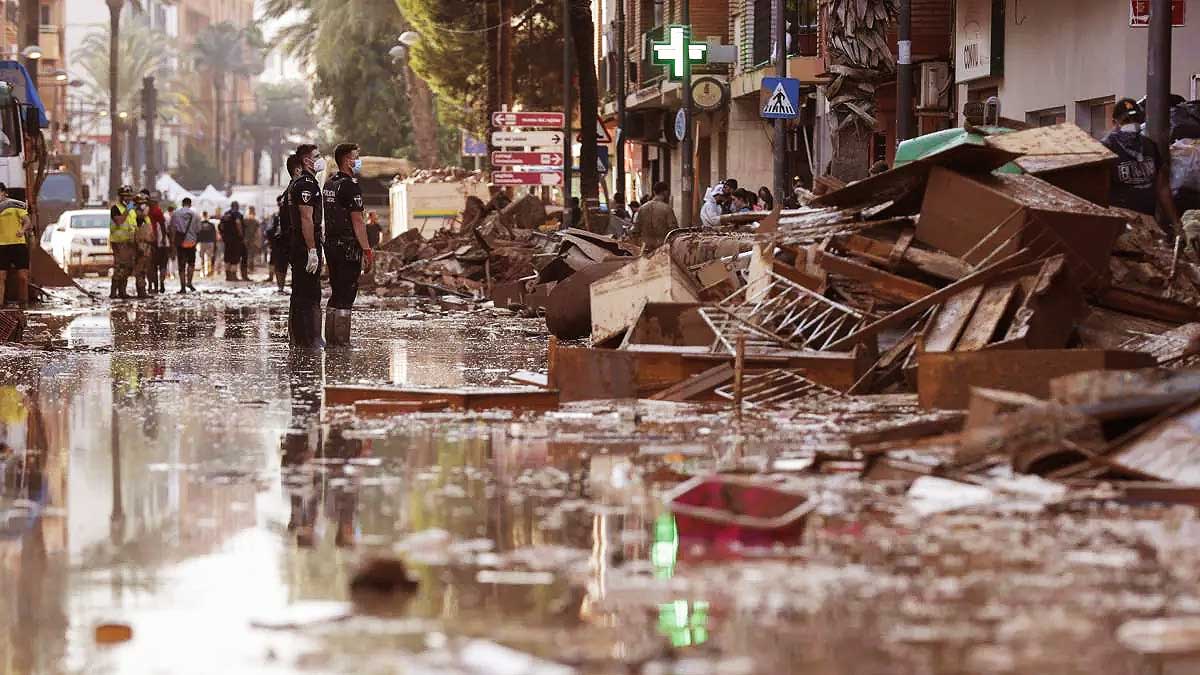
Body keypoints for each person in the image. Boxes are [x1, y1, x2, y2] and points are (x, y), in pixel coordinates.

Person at [1101, 97, 1183, 236]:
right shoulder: (1106, 149)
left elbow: (1162, 188)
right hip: (1119, 225)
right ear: (1115, 123)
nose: (1132, 125)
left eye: (1136, 120)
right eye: (1126, 121)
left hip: (1147, 223)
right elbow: (1100, 190)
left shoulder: (1149, 146)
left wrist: (1176, 224)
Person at [321, 142, 374, 346]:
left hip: (331, 245)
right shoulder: (350, 186)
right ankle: (342, 341)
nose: (358, 160)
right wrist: (367, 250)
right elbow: (358, 221)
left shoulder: (330, 184)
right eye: (355, 157)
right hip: (348, 247)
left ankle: (331, 339)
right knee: (347, 292)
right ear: (346, 160)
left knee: (336, 291)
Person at [288, 144, 326, 348]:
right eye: (317, 156)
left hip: (305, 244)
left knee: (306, 292)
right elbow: (306, 219)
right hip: (304, 247)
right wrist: (312, 250)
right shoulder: (305, 184)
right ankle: (307, 339)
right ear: (306, 161)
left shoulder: (310, 182)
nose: (321, 160)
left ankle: (304, 338)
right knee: (307, 293)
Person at [269, 154, 301, 294]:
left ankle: (281, 287)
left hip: (283, 236)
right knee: (284, 264)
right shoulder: (295, 189)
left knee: (281, 264)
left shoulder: (287, 190)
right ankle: (284, 287)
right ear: (297, 170)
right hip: (289, 235)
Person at [0, 183, 32, 307]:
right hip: (1, 246)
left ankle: (24, 304)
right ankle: (1, 306)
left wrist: (22, 230)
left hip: (18, 245)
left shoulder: (15, 205)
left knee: (23, 277)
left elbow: (27, 222)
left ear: (4, 192)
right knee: (1, 277)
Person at [109, 185, 138, 299]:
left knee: (128, 267)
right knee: (120, 266)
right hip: (119, 242)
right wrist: (128, 210)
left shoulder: (132, 210)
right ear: (120, 197)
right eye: (125, 197)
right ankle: (113, 292)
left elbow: (133, 225)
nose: (128, 199)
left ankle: (122, 292)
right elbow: (119, 221)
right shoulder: (115, 208)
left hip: (130, 241)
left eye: (129, 197)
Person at [632, 181, 678, 252]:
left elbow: (636, 230)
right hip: (662, 249)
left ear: (654, 192)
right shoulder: (667, 209)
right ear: (665, 192)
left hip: (644, 248)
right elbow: (674, 231)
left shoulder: (642, 208)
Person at [171, 197, 199, 293]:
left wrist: (172, 242)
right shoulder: (195, 214)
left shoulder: (176, 214)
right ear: (190, 204)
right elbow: (198, 229)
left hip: (180, 242)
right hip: (191, 242)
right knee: (191, 263)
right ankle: (189, 282)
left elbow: (172, 228)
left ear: (182, 204)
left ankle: (182, 287)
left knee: (181, 266)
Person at [132, 190, 155, 298]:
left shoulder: (145, 217)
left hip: (147, 245)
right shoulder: (137, 216)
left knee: (144, 269)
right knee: (140, 270)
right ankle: (141, 291)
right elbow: (136, 232)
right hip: (140, 245)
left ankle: (143, 290)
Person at [219, 201, 246, 281]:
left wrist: (224, 234)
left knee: (227, 257)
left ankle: (227, 276)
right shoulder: (237, 214)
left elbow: (221, 226)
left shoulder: (225, 214)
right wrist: (241, 235)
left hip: (227, 240)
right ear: (237, 207)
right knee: (235, 257)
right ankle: (233, 276)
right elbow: (238, 224)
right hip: (235, 239)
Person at [155, 202, 174, 293]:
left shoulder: (152, 219)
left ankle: (154, 285)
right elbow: (170, 231)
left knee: (154, 266)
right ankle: (161, 283)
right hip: (165, 244)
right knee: (163, 266)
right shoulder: (167, 218)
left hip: (155, 244)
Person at [243, 206, 261, 278]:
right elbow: (258, 232)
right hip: (252, 239)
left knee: (246, 255)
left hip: (246, 239)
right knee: (251, 255)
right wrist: (258, 241)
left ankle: (247, 269)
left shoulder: (245, 219)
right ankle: (250, 268)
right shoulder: (255, 220)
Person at [197, 211, 216, 276]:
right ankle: (208, 271)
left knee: (201, 258)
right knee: (209, 258)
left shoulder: (199, 224)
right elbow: (214, 234)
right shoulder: (211, 224)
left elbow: (197, 234)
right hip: (210, 242)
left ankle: (202, 271)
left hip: (202, 242)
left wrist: (196, 242)